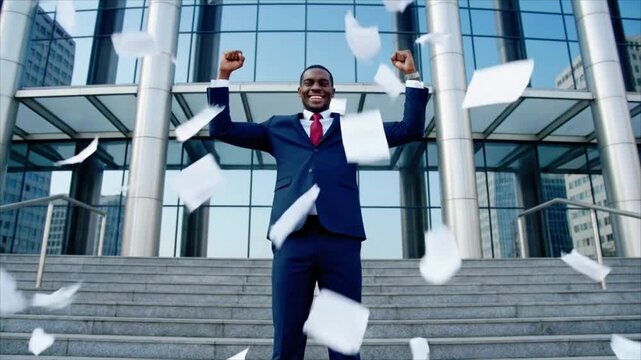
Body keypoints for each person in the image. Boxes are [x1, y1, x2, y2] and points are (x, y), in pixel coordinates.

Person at [207, 49, 430, 360]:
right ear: (299, 91)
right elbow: (222, 129)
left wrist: (412, 76)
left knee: (343, 339)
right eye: (309, 83)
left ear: (332, 91)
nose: (316, 87)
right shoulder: (277, 128)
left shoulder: (352, 127)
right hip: (292, 240)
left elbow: (410, 129)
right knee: (287, 334)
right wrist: (223, 76)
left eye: (323, 83)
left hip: (340, 240)